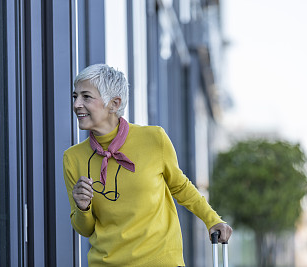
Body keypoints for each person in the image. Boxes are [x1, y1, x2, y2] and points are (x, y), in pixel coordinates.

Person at [63, 64, 232, 266]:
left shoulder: (154, 139)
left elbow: (181, 187)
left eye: (86, 97)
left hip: (160, 261)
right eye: (75, 97)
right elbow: (85, 229)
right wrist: (83, 207)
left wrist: (212, 219)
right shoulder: (73, 158)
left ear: (114, 104)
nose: (76, 104)